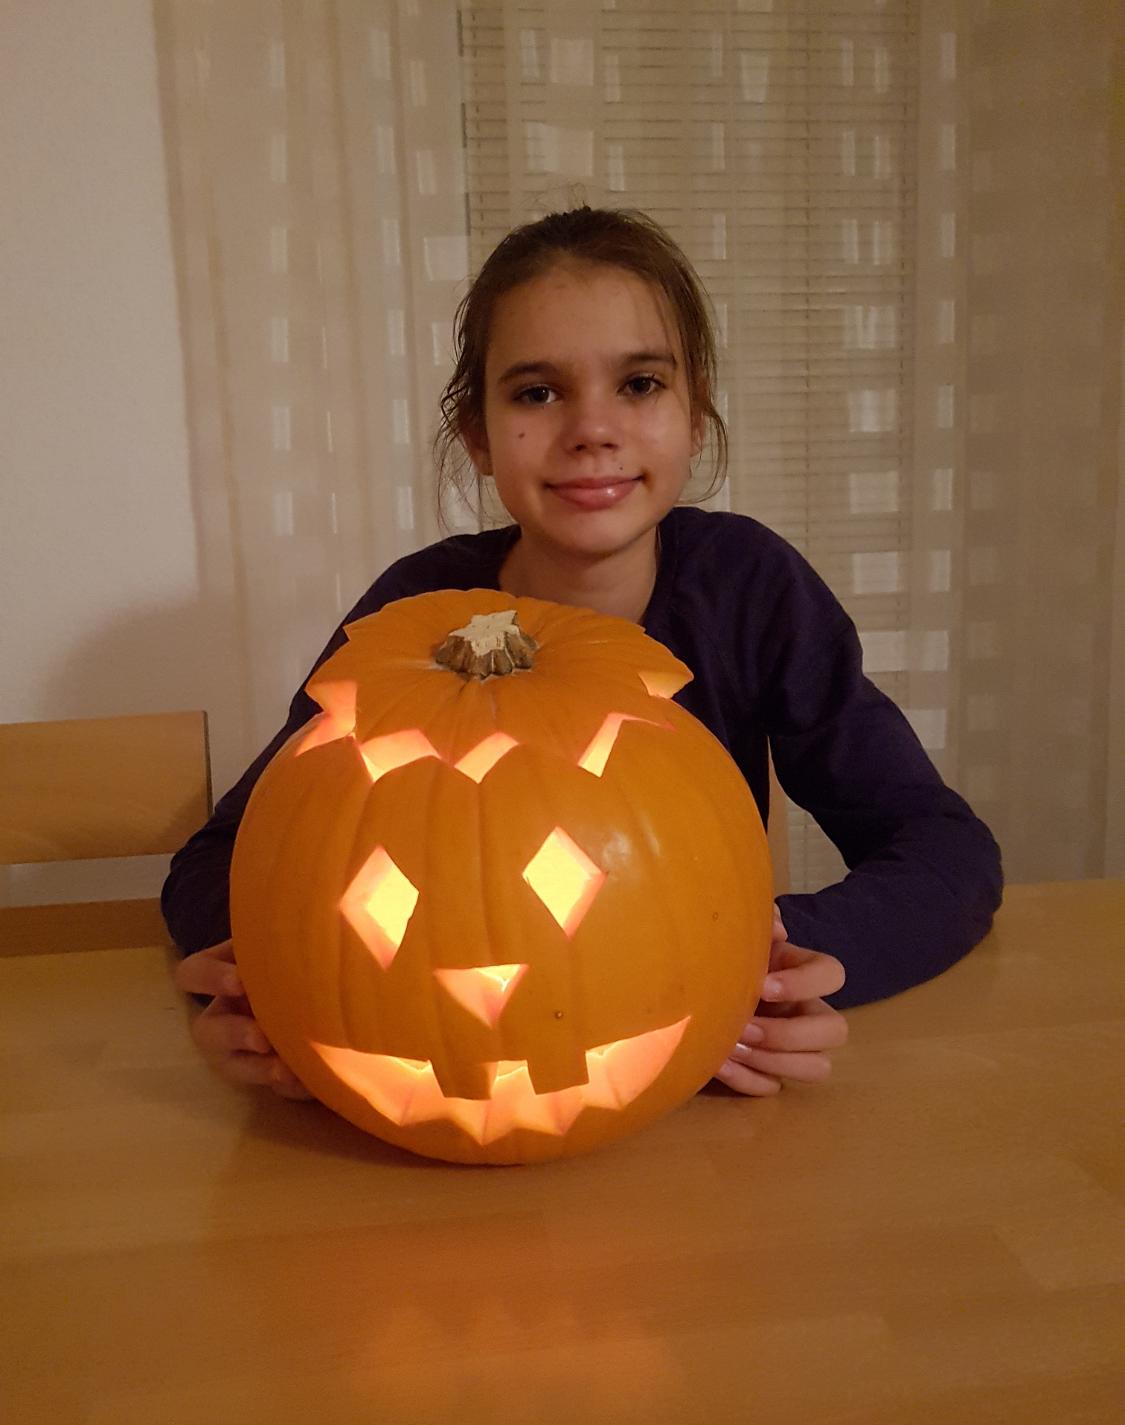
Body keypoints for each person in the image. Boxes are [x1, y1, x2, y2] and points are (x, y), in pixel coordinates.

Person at [165, 206, 1002, 1105]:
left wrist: (780, 958)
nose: (591, 429)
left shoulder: (750, 589)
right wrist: (276, 982)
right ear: (478, 434)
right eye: (537, 393)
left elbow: (943, 851)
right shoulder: (417, 617)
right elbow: (220, 862)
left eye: (639, 384)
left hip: (706, 1126)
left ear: (693, 413)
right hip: (444, 1086)